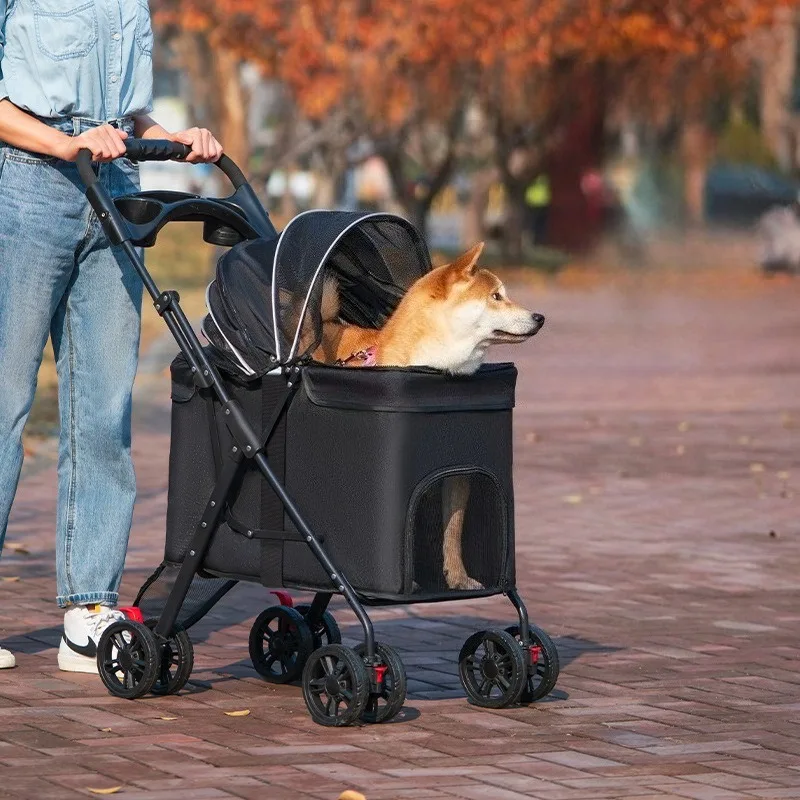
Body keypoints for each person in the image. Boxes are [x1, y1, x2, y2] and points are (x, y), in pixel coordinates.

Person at [0, 0, 222, 671]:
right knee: (5, 403)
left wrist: (175, 135)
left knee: (103, 408)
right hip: (28, 185)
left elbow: (130, 110)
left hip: (118, 187)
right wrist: (62, 142)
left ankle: (89, 608)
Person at [524, 173, 551, 246]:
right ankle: (535, 240)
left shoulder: (543, 177)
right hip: (534, 202)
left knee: (538, 224)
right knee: (534, 224)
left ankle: (538, 241)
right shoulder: (532, 176)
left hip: (540, 202)